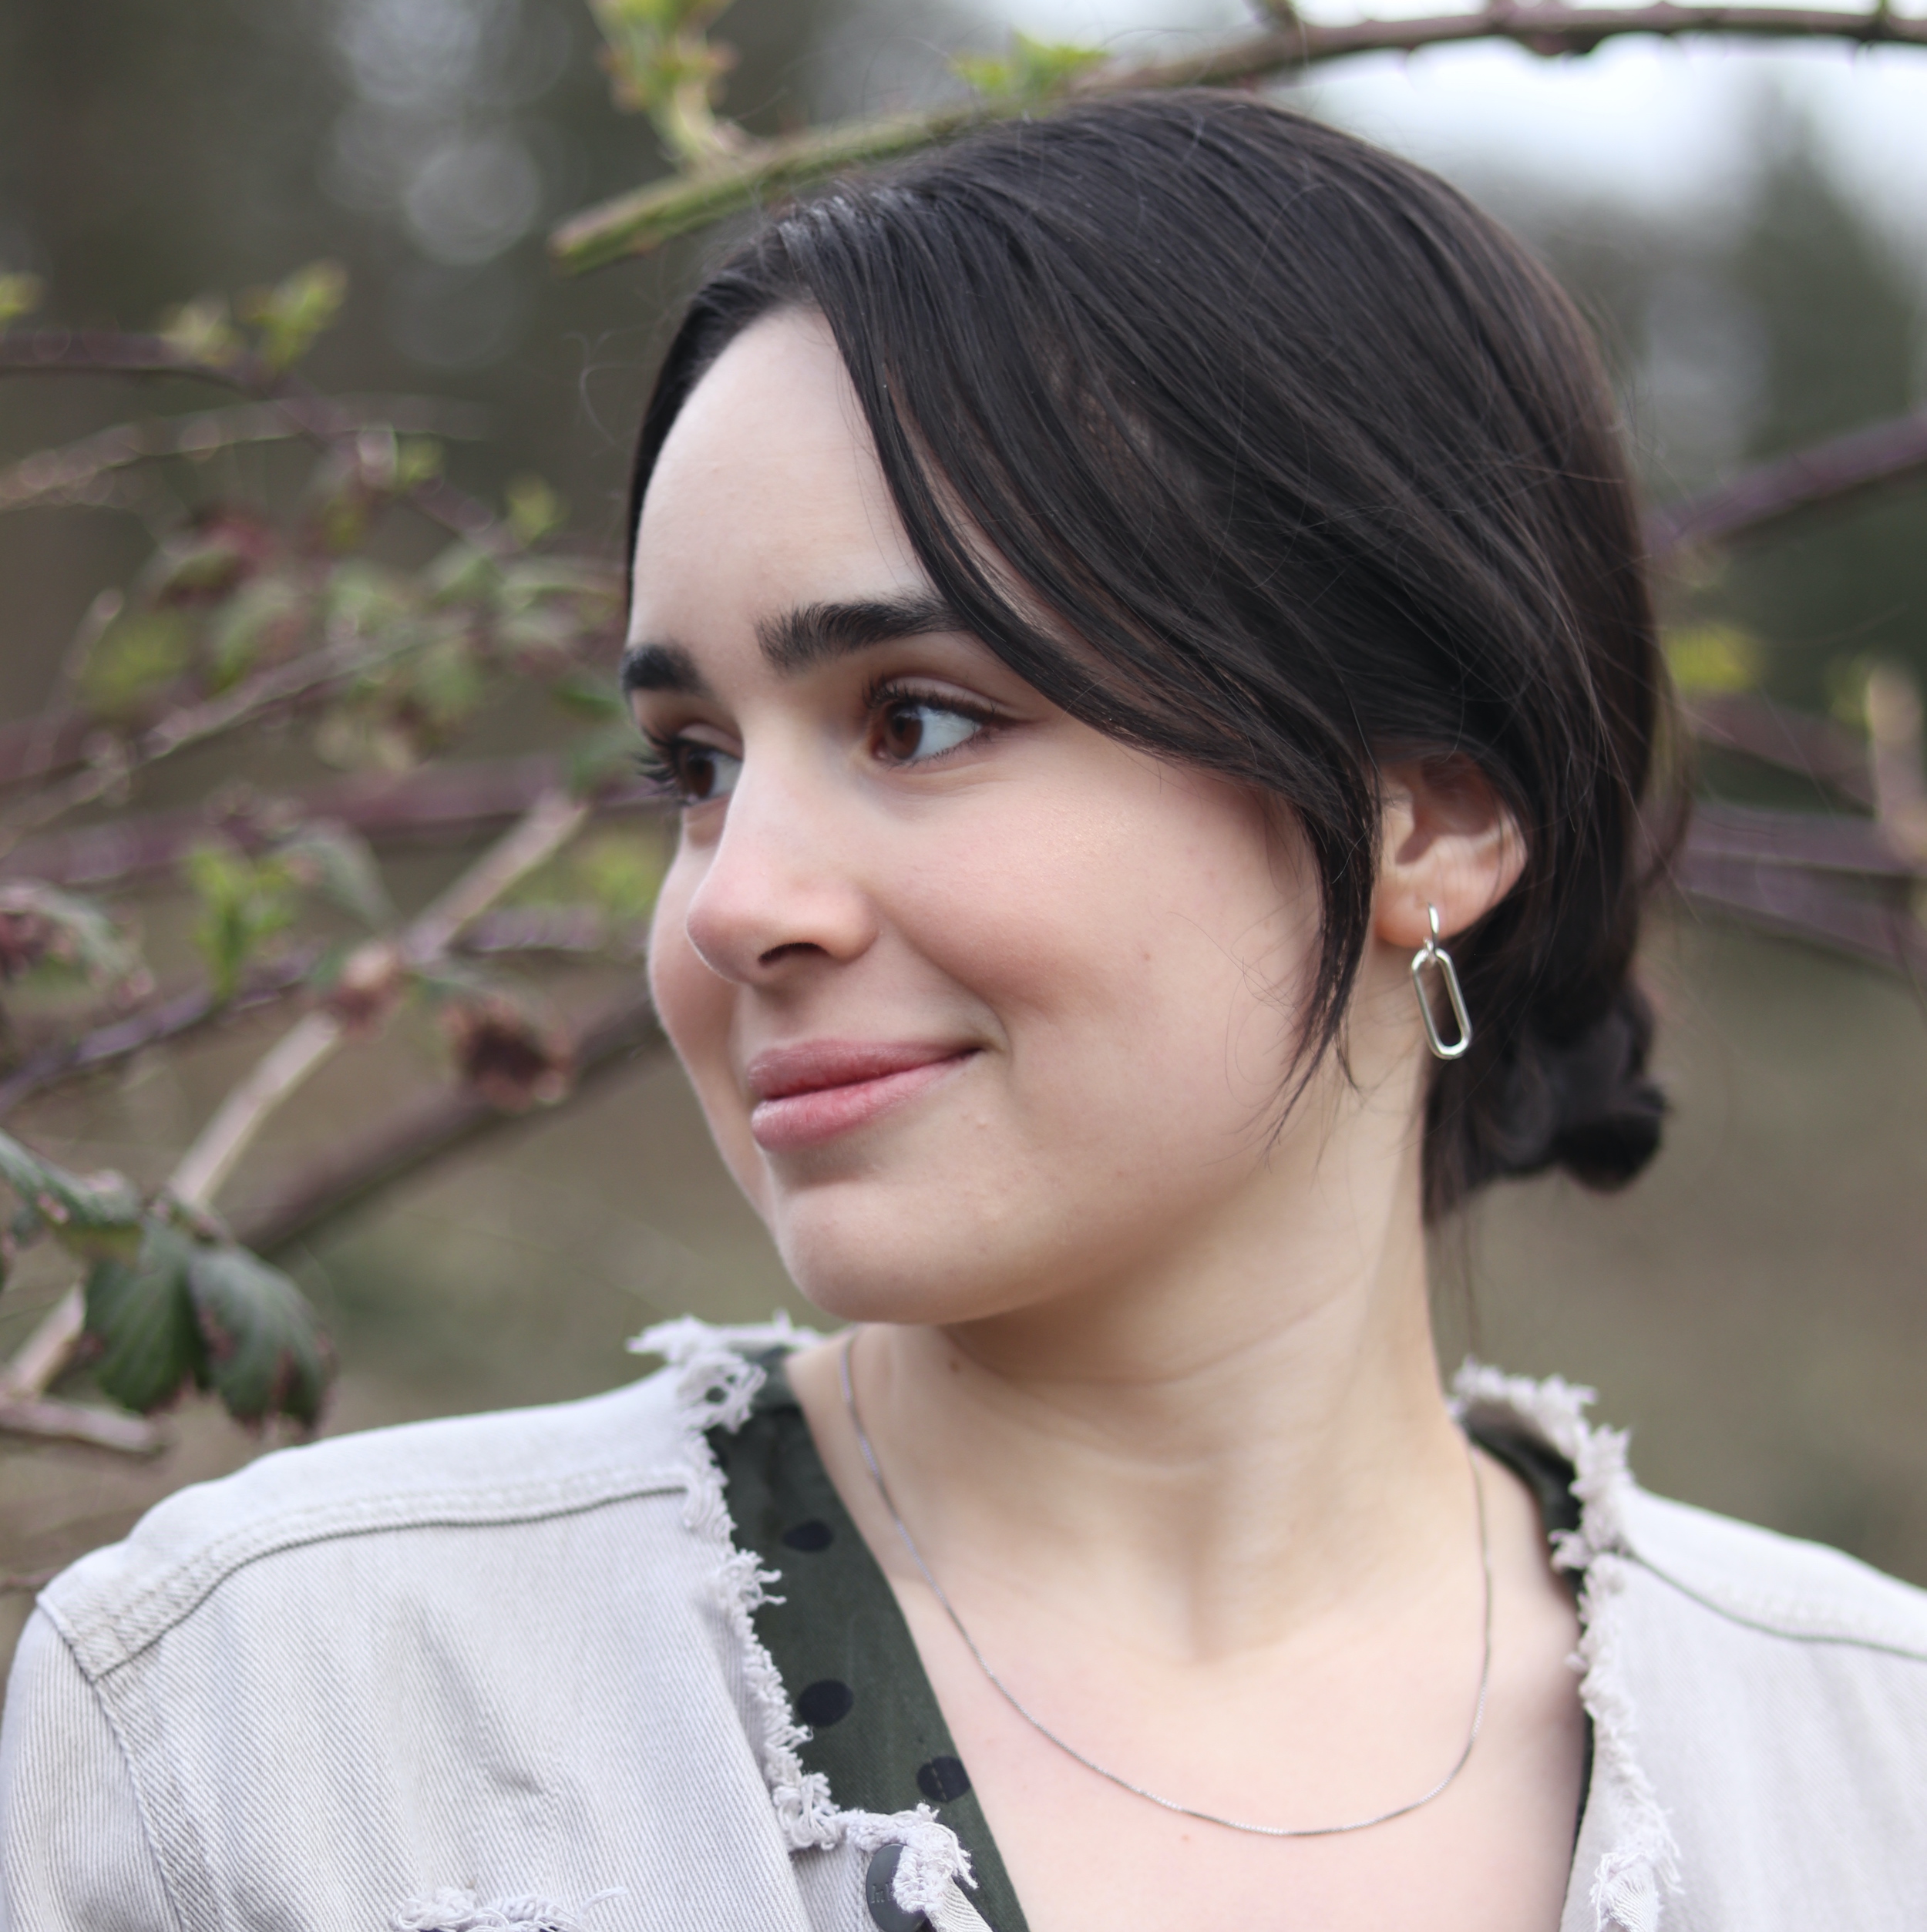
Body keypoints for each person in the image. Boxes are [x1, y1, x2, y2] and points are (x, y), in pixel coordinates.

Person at [3, 91, 1923, 1932]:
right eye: (691, 764)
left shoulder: (1868, 1772)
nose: (732, 902)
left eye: (917, 720)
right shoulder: (281, 1727)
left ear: (1430, 811)